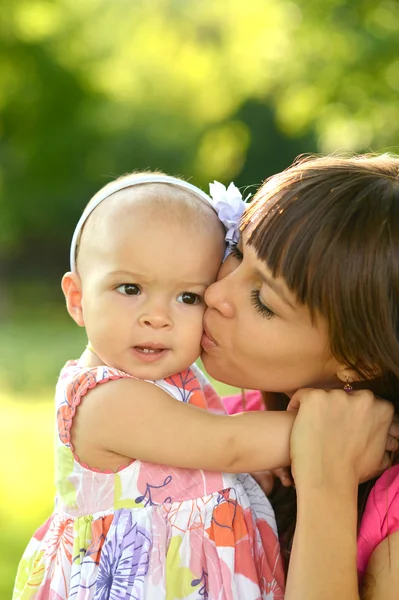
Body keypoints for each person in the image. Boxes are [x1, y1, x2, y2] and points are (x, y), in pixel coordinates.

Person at [13, 172, 301, 600]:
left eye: (188, 297)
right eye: (130, 289)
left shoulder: (175, 381)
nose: (158, 317)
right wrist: (319, 426)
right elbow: (227, 444)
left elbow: (205, 459)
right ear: (77, 299)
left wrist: (239, 477)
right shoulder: (105, 399)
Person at [201, 153, 399, 599]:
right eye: (236, 252)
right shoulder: (217, 423)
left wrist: (328, 481)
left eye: (264, 301)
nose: (214, 294)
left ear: (359, 356)